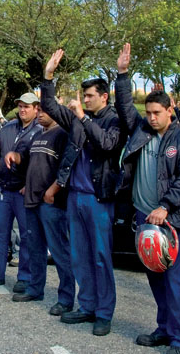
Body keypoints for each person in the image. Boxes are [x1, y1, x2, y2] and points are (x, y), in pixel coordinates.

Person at [114, 43, 180, 354]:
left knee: (175, 284)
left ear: (169, 111)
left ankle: (179, 339)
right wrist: (122, 75)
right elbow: (125, 107)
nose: (150, 118)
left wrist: (165, 207)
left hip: (171, 220)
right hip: (143, 217)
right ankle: (163, 329)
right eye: (148, 112)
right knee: (155, 278)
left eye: (156, 113)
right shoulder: (141, 131)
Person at [39, 49, 125, 336]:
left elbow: (107, 146)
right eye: (83, 96)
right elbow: (50, 106)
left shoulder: (113, 120)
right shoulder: (77, 118)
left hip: (98, 199)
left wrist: (84, 119)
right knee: (80, 255)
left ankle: (104, 313)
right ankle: (86, 305)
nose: (85, 100)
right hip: (75, 197)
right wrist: (48, 76)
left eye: (90, 96)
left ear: (104, 96)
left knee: (101, 257)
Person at [4, 105, 75, 318]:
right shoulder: (37, 135)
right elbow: (30, 162)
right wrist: (16, 157)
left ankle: (66, 299)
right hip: (32, 200)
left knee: (60, 251)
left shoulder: (62, 134)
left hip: (51, 202)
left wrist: (52, 190)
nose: (41, 114)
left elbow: (66, 167)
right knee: (35, 248)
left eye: (45, 111)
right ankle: (36, 289)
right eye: (40, 110)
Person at [0, 85, 42, 295]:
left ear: (36, 109)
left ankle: (25, 277)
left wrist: (30, 184)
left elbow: (40, 164)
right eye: (20, 106)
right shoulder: (9, 127)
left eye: (27, 107)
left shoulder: (40, 131)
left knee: (26, 236)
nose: (22, 110)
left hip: (24, 192)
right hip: (5, 190)